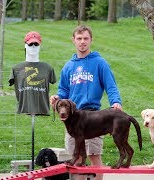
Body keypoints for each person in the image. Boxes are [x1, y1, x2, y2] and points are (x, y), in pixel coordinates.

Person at [50, 25, 122, 180]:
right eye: (79, 38)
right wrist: (57, 97)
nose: (82, 42)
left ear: (91, 40)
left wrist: (116, 102)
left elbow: (111, 86)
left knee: (94, 156)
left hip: (93, 117)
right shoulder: (69, 66)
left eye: (85, 38)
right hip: (73, 117)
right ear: (73, 40)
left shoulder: (99, 63)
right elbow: (63, 90)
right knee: (77, 160)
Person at [9, 31, 56, 115]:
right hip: (23, 110)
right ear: (25, 46)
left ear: (40, 46)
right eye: (30, 44)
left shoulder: (48, 68)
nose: (33, 47)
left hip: (42, 109)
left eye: (36, 44)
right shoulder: (16, 69)